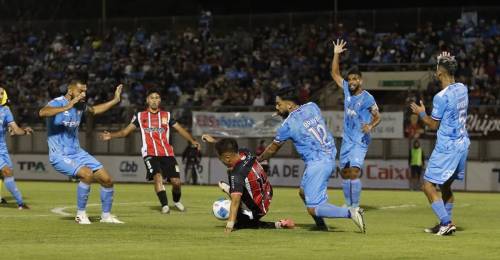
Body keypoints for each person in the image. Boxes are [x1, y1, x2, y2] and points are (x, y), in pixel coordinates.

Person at [257, 87, 365, 233]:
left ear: (289, 105)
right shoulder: (312, 107)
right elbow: (304, 121)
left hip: (318, 163)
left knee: (313, 208)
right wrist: (285, 114)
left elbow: (272, 149)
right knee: (303, 192)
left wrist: (258, 160)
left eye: (278, 104)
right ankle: (321, 226)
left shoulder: (287, 125)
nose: (276, 107)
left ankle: (351, 212)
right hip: (329, 154)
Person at [100, 88, 201, 214]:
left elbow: (180, 129)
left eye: (157, 98)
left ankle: (176, 201)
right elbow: (125, 132)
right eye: (152, 98)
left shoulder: (167, 116)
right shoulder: (140, 116)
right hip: (149, 153)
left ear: (160, 101)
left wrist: (192, 141)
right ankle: (164, 205)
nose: (154, 100)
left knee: (176, 182)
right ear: (147, 100)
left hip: (167, 153)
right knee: (157, 177)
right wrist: (111, 135)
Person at [39, 80, 124, 224]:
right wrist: (67, 106)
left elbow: (94, 110)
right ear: (71, 91)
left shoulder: (80, 105)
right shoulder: (57, 102)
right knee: (86, 174)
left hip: (78, 152)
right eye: (80, 91)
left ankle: (106, 216)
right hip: (59, 154)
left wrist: (115, 100)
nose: (84, 94)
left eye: (85, 91)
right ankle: (80, 214)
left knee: (107, 180)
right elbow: (42, 112)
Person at [410, 51, 469, 236]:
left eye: (437, 69)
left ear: (439, 74)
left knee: (427, 185)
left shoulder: (440, 97)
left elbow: (433, 124)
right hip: (462, 144)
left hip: (447, 147)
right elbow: (447, 69)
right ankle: (445, 224)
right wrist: (443, 60)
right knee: (445, 187)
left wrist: (421, 112)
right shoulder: (462, 88)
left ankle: (446, 222)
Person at [202, 134, 294, 233]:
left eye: (221, 158)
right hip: (267, 193)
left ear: (227, 158)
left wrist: (229, 225)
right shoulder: (246, 152)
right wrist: (214, 141)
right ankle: (233, 190)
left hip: (258, 208)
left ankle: (278, 224)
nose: (221, 161)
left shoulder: (237, 173)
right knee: (236, 178)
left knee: (243, 223)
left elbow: (235, 201)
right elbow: (229, 147)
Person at [331, 39, 381, 209]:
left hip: (360, 139)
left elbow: (378, 117)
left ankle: (356, 205)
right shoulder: (346, 89)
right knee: (345, 173)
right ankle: (348, 204)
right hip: (347, 139)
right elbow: (335, 73)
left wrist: (370, 126)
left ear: (360, 80)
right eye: (350, 79)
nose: (351, 81)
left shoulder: (368, 98)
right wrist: (336, 54)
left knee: (354, 170)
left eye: (355, 79)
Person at [0, 87, 33, 209]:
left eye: (2, 93)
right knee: (7, 172)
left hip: (2, 150)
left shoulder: (6, 110)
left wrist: (23, 131)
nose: (0, 95)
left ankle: (19, 203)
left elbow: (15, 129)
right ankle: (20, 203)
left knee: (8, 174)